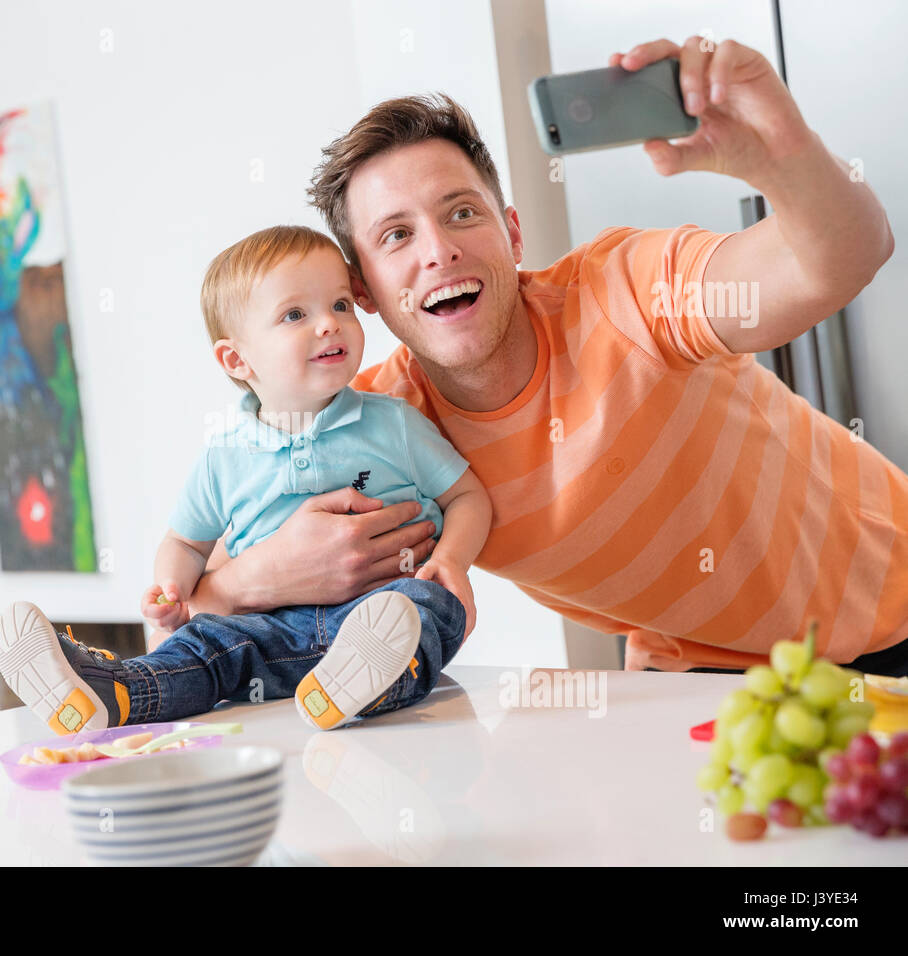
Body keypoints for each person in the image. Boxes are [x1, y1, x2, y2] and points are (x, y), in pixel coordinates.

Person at [185, 38, 907, 677]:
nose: (439, 250)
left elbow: (845, 256)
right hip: (705, 684)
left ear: (513, 233)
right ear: (363, 291)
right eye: (397, 236)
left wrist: (777, 150)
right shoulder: (378, 430)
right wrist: (252, 580)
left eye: (462, 212)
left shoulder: (625, 290)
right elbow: (195, 593)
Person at [0, 225, 492, 734]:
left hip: (379, 610)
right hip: (265, 630)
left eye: (341, 304)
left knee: (428, 606)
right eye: (296, 314)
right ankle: (111, 692)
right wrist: (172, 591)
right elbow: (186, 543)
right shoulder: (225, 455)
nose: (330, 324)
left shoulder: (394, 423)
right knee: (204, 645)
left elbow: (468, 497)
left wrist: (451, 560)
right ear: (237, 359)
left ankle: (360, 686)